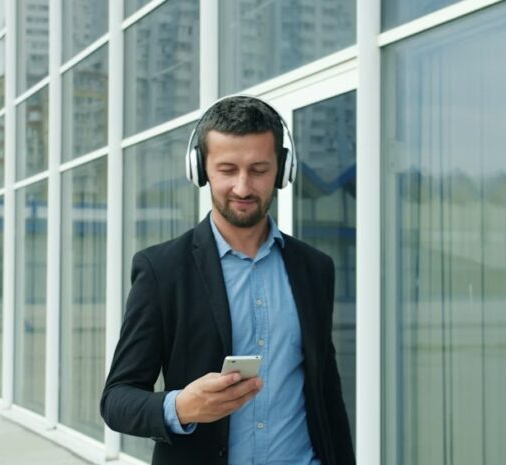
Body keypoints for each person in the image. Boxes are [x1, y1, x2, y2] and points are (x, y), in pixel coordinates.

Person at [100, 95, 355, 465]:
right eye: (227, 169)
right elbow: (117, 400)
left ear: (283, 170)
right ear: (200, 170)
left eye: (259, 169)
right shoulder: (161, 270)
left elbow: (326, 394)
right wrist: (182, 407)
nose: (242, 187)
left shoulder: (316, 269)